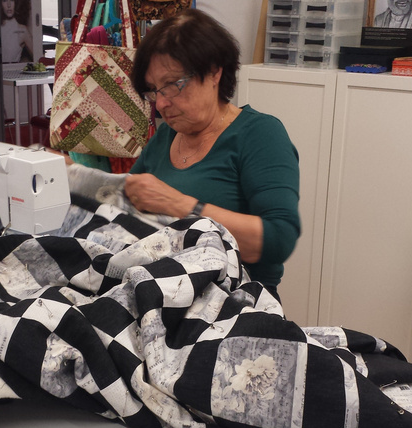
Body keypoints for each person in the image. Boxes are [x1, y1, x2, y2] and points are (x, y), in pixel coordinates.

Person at [121, 9, 301, 294]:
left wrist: (181, 206)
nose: (161, 104)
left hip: (235, 302)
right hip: (162, 293)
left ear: (214, 72)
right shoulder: (166, 137)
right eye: (153, 91)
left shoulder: (259, 134)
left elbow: (278, 239)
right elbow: (124, 207)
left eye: (172, 85)